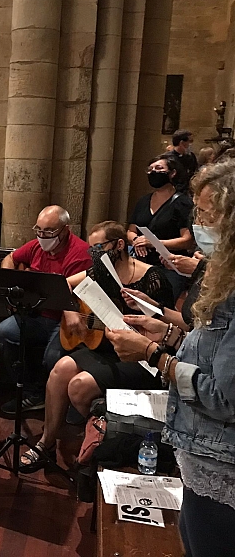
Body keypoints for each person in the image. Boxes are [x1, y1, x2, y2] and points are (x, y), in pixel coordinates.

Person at [107, 161, 235, 557]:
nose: (198, 223)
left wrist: (153, 356)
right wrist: (169, 333)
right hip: (202, 453)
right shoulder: (226, 275)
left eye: (207, 215)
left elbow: (225, 397)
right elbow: (212, 350)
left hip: (222, 463)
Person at [19, 221, 174, 473]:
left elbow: (163, 329)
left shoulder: (152, 277)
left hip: (141, 357)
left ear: (119, 245)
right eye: (91, 249)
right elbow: (64, 284)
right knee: (60, 371)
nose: (93, 254)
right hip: (107, 347)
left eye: (99, 248)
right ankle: (46, 443)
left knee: (79, 386)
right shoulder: (101, 271)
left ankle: (98, 444)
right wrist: (70, 310)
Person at [0, 206, 92, 415]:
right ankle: (32, 394)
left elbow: (82, 293)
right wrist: (9, 283)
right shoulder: (36, 246)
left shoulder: (80, 254)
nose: (42, 236)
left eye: (48, 232)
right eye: (38, 230)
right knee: (4, 333)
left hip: (65, 320)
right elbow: (11, 258)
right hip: (37, 315)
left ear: (65, 230)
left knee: (52, 358)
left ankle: (61, 405)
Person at [127, 155, 194, 301]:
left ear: (172, 173)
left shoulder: (182, 203)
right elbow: (131, 230)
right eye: (150, 169)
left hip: (169, 266)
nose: (153, 172)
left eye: (159, 168)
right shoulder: (143, 201)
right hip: (142, 264)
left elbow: (187, 240)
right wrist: (137, 240)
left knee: (160, 305)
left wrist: (153, 242)